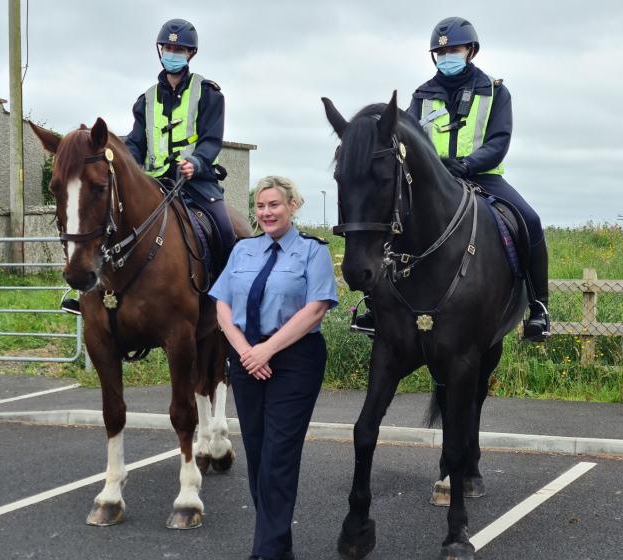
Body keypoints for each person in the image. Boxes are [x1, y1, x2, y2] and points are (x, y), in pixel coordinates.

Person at [352, 16, 550, 342]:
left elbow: (499, 141)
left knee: (530, 219)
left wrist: (468, 164)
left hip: (484, 177)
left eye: (454, 50)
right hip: (434, 182)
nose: (447, 57)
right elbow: (409, 139)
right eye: (440, 53)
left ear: (470, 50)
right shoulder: (422, 95)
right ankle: (375, 306)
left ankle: (539, 308)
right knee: (393, 223)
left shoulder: (495, 92)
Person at [61, 18, 235, 314]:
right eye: (167, 47)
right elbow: (136, 144)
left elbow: (211, 139)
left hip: (196, 182)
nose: (172, 52)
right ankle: (87, 292)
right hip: (154, 182)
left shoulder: (208, 93)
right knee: (108, 220)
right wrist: (127, 163)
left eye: (179, 48)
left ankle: (227, 295)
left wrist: (196, 162)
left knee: (226, 230)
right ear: (160, 50)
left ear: (190, 53)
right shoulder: (146, 99)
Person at [208, 176, 338, 560]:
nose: (266, 212)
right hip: (246, 356)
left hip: (295, 359)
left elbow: (315, 309)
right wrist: (247, 351)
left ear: (292, 205)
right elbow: (222, 306)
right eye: (261, 206)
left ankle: (263, 552)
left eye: (274, 205)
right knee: (258, 453)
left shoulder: (313, 252)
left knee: (279, 456)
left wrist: (267, 350)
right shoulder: (243, 251)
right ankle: (277, 548)